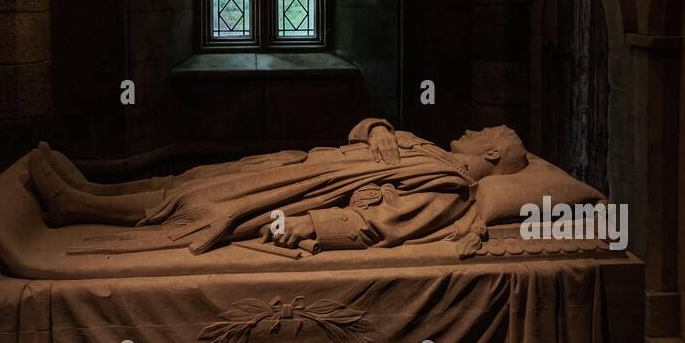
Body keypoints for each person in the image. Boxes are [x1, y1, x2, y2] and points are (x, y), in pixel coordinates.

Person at [27, 120, 529, 256]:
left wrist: (309, 224)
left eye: (489, 132)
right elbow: (373, 131)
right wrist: (377, 129)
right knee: (200, 177)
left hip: (309, 194)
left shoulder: (449, 188)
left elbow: (380, 223)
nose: (475, 128)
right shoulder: (433, 152)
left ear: (490, 155)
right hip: (302, 168)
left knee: (202, 203)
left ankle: (76, 208)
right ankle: (94, 189)